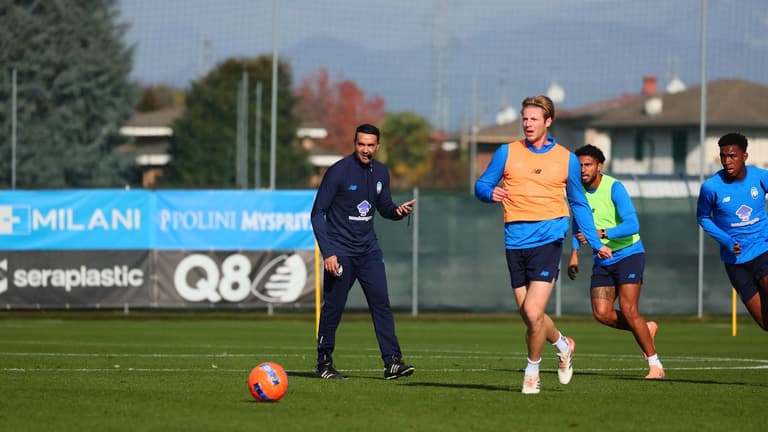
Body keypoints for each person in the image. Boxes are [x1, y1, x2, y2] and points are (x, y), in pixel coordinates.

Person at [474, 95, 612, 394]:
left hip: (548, 239)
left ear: (548, 122)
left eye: (534, 119)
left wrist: (596, 241)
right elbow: (481, 185)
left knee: (535, 313)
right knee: (529, 315)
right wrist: (490, 192)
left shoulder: (566, 158)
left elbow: (578, 202)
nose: (527, 123)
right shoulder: (506, 153)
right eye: (525, 118)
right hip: (514, 241)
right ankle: (563, 344)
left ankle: (532, 371)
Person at [310, 123, 417, 380]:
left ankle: (392, 363)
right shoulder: (338, 172)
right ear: (354, 143)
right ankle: (324, 363)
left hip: (369, 251)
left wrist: (397, 212)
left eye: (370, 145)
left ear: (377, 146)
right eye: (361, 144)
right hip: (341, 252)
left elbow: (384, 207)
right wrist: (329, 253)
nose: (366, 150)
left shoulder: (381, 172)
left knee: (381, 304)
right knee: (333, 307)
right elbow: (317, 214)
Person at [567, 144, 665, 379]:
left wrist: (602, 234)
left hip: (629, 254)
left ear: (599, 166)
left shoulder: (614, 188)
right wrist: (574, 253)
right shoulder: (576, 191)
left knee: (630, 310)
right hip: (602, 259)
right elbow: (577, 223)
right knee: (602, 313)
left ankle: (655, 365)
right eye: (579, 165)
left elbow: (633, 225)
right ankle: (645, 328)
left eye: (588, 164)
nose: (583, 169)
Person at [697, 132, 768, 331]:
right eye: (723, 156)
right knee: (765, 322)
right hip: (735, 262)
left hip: (764, 250)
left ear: (744, 156)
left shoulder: (761, 177)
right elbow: (703, 217)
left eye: (732, 156)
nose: (727, 161)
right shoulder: (711, 187)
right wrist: (727, 241)